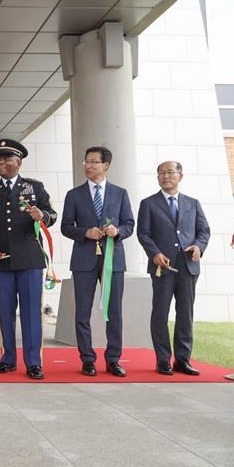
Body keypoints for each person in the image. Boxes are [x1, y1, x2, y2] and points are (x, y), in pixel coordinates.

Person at [0, 139, 57, 380]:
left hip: (30, 261)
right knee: (5, 313)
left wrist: (41, 215)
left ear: (18, 162)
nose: (1, 162)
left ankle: (33, 362)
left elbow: (52, 216)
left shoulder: (35, 188)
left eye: (7, 158)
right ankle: (8, 358)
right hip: (0, 261)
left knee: (32, 313)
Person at [61, 146, 135, 377]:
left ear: (106, 165)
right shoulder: (74, 195)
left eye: (94, 162)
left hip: (114, 259)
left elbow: (129, 224)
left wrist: (117, 231)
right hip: (83, 260)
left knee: (114, 311)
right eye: (86, 161)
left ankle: (113, 359)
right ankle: (87, 359)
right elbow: (65, 227)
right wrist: (85, 233)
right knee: (82, 313)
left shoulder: (120, 193)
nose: (88, 166)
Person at [137, 161, 210, 376]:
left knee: (185, 314)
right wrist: (155, 253)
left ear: (180, 176)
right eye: (160, 173)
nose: (165, 176)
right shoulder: (148, 203)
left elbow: (204, 230)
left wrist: (199, 246)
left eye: (170, 172)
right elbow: (144, 234)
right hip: (163, 267)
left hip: (188, 266)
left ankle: (182, 359)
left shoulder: (193, 203)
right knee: (160, 313)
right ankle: (162, 360)